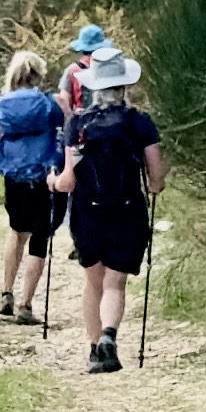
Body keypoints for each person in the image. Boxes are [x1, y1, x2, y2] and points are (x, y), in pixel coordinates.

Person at [59, 38, 163, 370]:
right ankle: (109, 338)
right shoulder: (139, 122)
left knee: (94, 282)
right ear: (123, 85)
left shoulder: (77, 125)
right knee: (115, 282)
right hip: (128, 210)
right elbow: (156, 180)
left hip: (88, 213)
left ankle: (94, 351)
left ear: (93, 87)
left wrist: (52, 182)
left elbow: (68, 181)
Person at [0, 41, 69, 326]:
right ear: (37, 75)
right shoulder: (50, 102)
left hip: (14, 177)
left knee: (16, 232)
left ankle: (6, 294)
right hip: (45, 177)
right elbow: (68, 130)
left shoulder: (0, 103)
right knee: (40, 238)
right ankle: (26, 305)